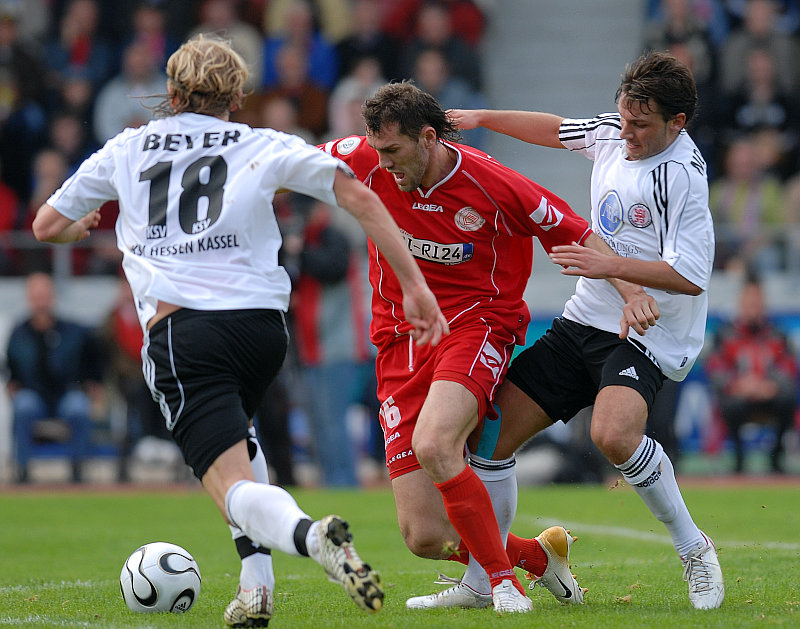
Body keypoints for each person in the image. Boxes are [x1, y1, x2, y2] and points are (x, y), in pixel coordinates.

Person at [31, 34, 448, 627]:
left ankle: (311, 536)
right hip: (260, 332)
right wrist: (414, 284)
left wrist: (78, 232)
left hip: (183, 332)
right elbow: (357, 194)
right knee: (243, 445)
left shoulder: (128, 147)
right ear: (238, 95)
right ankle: (256, 592)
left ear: (172, 91)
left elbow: (46, 224)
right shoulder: (262, 144)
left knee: (229, 485)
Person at [321, 81, 637, 613]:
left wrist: (632, 293)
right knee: (424, 535)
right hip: (400, 341)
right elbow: (280, 163)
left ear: (428, 138)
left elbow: (577, 233)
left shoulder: (493, 183)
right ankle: (536, 558)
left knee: (437, 443)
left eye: (394, 152)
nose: (385, 165)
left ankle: (500, 584)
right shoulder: (363, 158)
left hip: (475, 326)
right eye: (377, 151)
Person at [448, 50, 724, 610]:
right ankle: (485, 582)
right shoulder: (613, 131)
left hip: (647, 332)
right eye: (623, 119)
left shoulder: (683, 181)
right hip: (584, 318)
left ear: (678, 123)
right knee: (488, 438)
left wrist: (610, 266)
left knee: (614, 436)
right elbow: (553, 129)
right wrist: (480, 118)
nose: (627, 134)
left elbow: (691, 277)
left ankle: (695, 549)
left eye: (641, 126)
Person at [6, 272, 103, 483]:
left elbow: (93, 359)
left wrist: (94, 385)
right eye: (36, 295)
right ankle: (21, 468)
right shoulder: (19, 333)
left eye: (44, 294)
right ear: (28, 298)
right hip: (34, 394)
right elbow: (12, 367)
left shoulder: (73, 331)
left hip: (66, 393)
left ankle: (78, 468)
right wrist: (12, 387)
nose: (41, 301)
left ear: (53, 296)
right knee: (23, 405)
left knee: (78, 407)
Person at [705, 275, 798, 474]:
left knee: (788, 398)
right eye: (749, 301)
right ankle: (739, 458)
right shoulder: (726, 333)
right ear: (741, 302)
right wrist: (737, 384)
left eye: (757, 301)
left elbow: (788, 366)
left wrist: (770, 385)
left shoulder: (777, 333)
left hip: (769, 394)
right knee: (727, 404)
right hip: (739, 395)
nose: (753, 306)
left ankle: (776, 456)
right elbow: (715, 367)